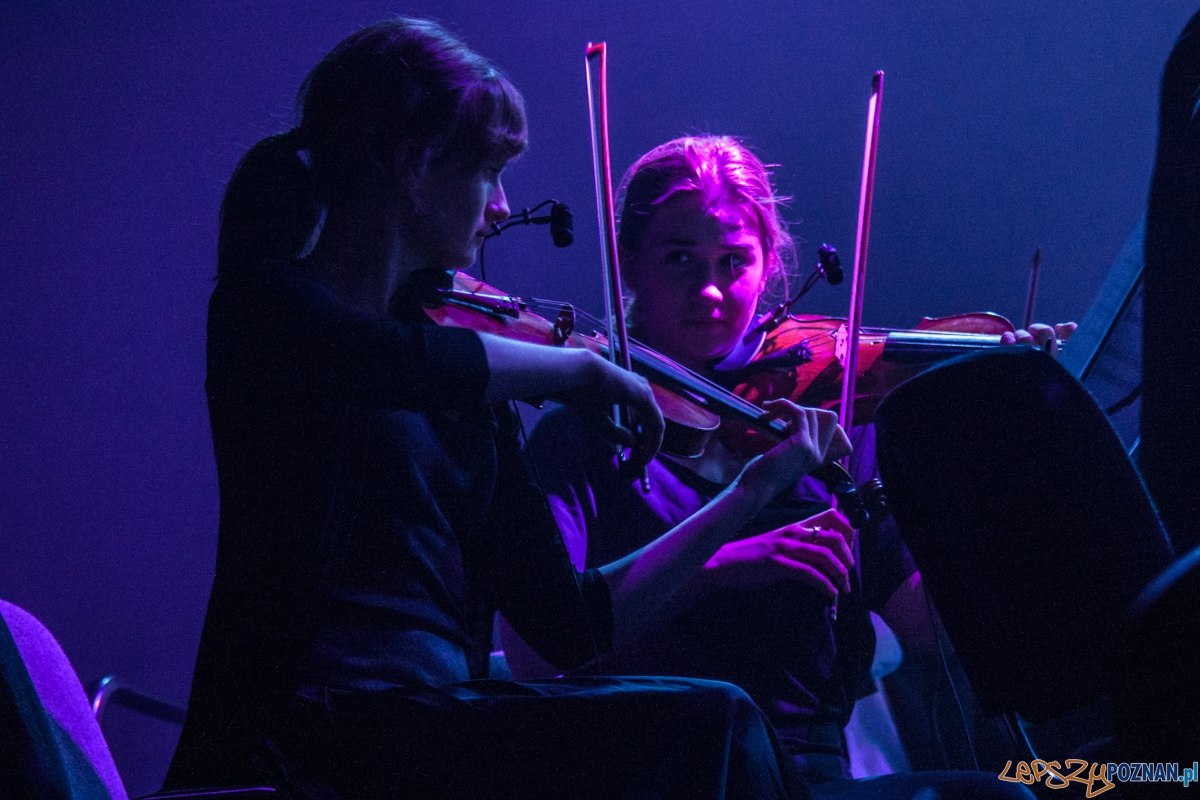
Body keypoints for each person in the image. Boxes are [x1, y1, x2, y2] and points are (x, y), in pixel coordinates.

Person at [163, 20, 856, 800]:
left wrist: (748, 496)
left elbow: (567, 625)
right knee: (708, 726)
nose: (501, 208)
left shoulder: (475, 396)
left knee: (717, 725)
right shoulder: (269, 312)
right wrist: (574, 373)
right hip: (301, 741)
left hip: (426, 732)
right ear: (413, 167)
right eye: (488, 171)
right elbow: (391, 363)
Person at [505, 135, 1045, 799]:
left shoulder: (826, 431)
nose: (710, 289)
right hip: (653, 771)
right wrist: (726, 564)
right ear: (630, 264)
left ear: (769, 268)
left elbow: (924, 624)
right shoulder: (584, 435)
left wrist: (1002, 460)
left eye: (735, 261)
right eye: (680, 259)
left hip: (808, 776)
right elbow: (534, 656)